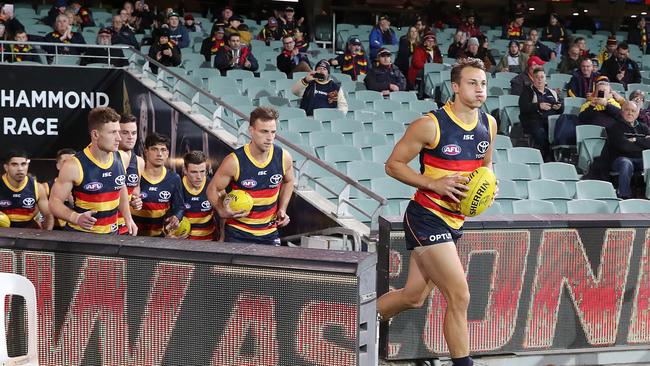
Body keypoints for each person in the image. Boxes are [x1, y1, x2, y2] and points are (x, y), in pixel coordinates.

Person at [377, 58, 496, 366]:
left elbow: (486, 168)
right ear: (455, 87)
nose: (479, 89)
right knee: (460, 295)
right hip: (426, 216)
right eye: (472, 83)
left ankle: (359, 321)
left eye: (483, 83)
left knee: (414, 297)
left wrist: (489, 189)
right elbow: (393, 165)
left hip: (454, 221)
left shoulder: (489, 124)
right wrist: (435, 184)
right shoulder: (430, 124)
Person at [207, 106, 294, 245]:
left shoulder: (284, 157)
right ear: (251, 131)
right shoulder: (234, 161)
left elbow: (289, 181)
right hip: (238, 233)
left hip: (269, 233)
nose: (270, 138)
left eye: (273, 132)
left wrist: (282, 209)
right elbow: (212, 189)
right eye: (264, 132)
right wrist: (221, 210)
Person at [49, 107, 137, 235]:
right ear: (95, 134)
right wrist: (76, 218)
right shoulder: (74, 165)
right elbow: (54, 202)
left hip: (112, 235)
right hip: (82, 237)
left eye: (118, 132)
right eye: (113, 132)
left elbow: (120, 186)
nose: (119, 138)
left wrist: (128, 218)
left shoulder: (123, 158)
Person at [130, 133, 185, 237]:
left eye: (163, 150)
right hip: (131, 236)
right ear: (146, 152)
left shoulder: (174, 178)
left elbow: (180, 206)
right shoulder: (134, 175)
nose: (159, 154)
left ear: (168, 153)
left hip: (159, 238)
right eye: (154, 149)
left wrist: (176, 217)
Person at [607, 101, 650, 198]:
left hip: (640, 159)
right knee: (626, 163)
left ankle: (648, 195)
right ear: (622, 112)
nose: (630, 113)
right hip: (619, 159)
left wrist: (635, 140)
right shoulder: (615, 127)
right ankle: (624, 196)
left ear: (637, 113)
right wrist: (643, 143)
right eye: (627, 110)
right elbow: (624, 147)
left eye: (633, 111)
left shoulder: (643, 127)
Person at [1, 150, 52, 230]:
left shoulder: (37, 188)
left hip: (27, 232)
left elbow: (48, 215)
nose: (20, 169)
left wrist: (46, 237)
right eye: (14, 165)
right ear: (6, 167)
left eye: (23, 164)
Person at [518, 68, 563, 160]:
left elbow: (560, 108)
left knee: (561, 132)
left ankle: (558, 157)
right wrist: (538, 106)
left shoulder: (552, 92)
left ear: (545, 79)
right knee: (542, 135)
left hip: (552, 122)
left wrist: (559, 107)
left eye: (542, 77)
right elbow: (523, 107)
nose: (539, 79)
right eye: (537, 77)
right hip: (534, 121)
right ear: (533, 79)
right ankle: (546, 158)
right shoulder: (528, 91)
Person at [116, 114, 144, 234]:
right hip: (102, 227)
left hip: (125, 227)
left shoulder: (139, 161)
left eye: (134, 133)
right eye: (125, 133)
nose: (130, 137)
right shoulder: (107, 160)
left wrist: (135, 201)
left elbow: (135, 192)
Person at [182, 151, 217, 240]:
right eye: (194, 172)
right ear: (185, 170)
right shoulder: (177, 186)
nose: (199, 177)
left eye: (202, 171)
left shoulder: (212, 185)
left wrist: (222, 238)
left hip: (209, 241)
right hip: (183, 243)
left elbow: (222, 215)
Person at [43, 148, 75, 230]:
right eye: (64, 162)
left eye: (72, 162)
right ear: (57, 165)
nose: (68, 165)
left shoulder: (86, 187)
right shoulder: (45, 187)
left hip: (78, 230)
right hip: (54, 231)